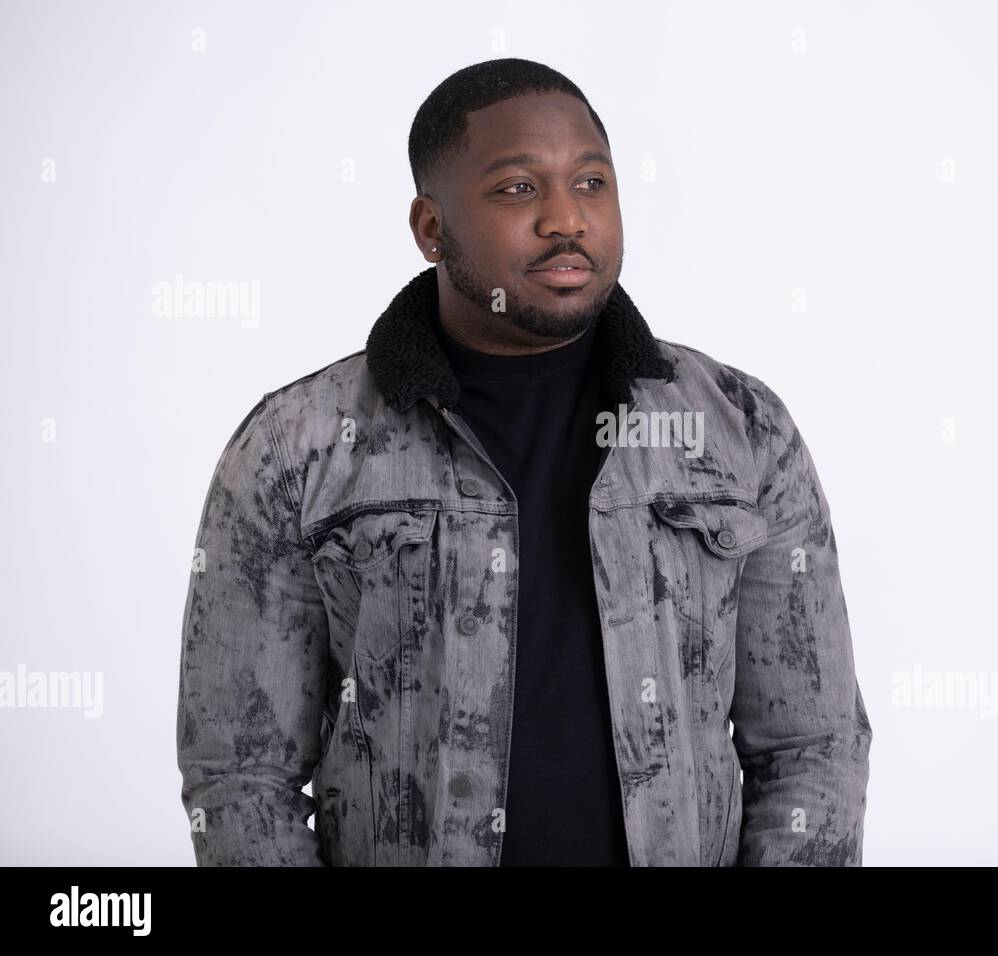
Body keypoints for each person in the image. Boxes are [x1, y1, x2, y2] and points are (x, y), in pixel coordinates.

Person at [176, 57, 872, 866]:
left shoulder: (739, 429)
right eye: (517, 190)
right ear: (431, 228)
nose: (565, 220)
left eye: (591, 184)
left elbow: (813, 747)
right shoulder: (298, 445)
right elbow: (239, 774)